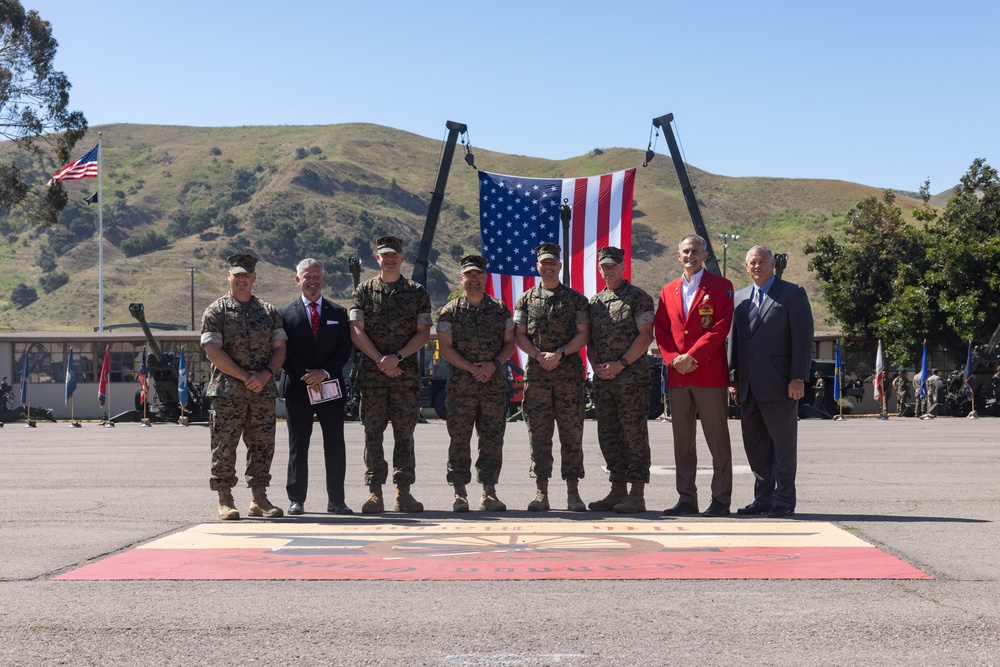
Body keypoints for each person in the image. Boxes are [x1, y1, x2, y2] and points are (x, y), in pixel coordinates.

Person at [201, 252, 287, 521]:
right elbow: (212, 350)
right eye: (236, 275)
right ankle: (225, 499)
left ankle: (259, 499)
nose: (241, 279)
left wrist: (265, 374)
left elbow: (280, 348)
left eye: (246, 275)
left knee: (262, 446)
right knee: (224, 447)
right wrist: (244, 375)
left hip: (261, 392)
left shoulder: (269, 312)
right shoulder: (216, 311)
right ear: (229, 276)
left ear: (254, 278)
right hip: (227, 393)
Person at [729, 245, 813, 519]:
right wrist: (733, 380)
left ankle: (784, 500)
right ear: (746, 266)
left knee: (782, 446)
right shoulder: (739, 298)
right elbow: (735, 342)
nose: (757, 266)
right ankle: (762, 499)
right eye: (752, 262)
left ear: (772, 264)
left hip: (780, 385)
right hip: (747, 387)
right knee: (755, 446)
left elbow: (802, 340)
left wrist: (798, 377)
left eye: (762, 261)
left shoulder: (792, 294)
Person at [654, 234, 735, 517]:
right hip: (678, 375)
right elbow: (661, 330)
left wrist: (694, 357)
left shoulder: (721, 286)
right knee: (683, 441)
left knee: (717, 440)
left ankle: (721, 500)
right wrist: (673, 359)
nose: (690, 256)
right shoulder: (668, 290)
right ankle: (687, 498)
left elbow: (720, 328)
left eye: (696, 252)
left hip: (708, 374)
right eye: (685, 252)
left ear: (704, 256)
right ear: (679, 256)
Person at [349, 236, 432, 513]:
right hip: (372, 377)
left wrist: (396, 358)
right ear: (377, 258)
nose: (390, 259)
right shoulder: (363, 291)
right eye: (385, 255)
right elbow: (356, 329)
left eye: (395, 255)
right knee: (373, 434)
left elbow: (422, 334)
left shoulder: (417, 293)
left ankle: (403, 492)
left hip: (404, 375)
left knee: (404, 435)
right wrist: (379, 359)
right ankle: (375, 493)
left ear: (402, 258)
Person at [514, 242, 591, 512]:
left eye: (552, 263)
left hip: (568, 376)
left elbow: (583, 333)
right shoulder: (525, 299)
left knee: (571, 435)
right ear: (537, 267)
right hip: (537, 377)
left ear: (559, 266)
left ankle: (573, 492)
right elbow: (519, 334)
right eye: (543, 263)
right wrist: (537, 355)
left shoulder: (576, 299)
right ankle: (541, 492)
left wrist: (559, 353)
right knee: (539, 436)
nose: (548, 267)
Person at [436, 254, 516, 512]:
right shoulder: (450, 311)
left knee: (492, 439)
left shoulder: (500, 309)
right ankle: (460, 494)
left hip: (492, 386)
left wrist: (493, 365)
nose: (473, 279)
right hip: (462, 386)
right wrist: (471, 367)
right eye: (468, 275)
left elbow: (509, 344)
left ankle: (489, 492)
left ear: (485, 278)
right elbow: (446, 349)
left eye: (478, 274)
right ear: (461, 278)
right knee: (459, 439)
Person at [278, 258, 353, 516]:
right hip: (298, 388)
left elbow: (344, 349)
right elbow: (281, 352)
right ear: (297, 280)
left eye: (316, 277)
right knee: (298, 445)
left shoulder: (338, 313)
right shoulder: (283, 314)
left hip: (331, 387)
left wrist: (324, 373)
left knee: (335, 444)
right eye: (307, 277)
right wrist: (307, 375)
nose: (312, 281)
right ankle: (296, 499)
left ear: (324, 279)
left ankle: (337, 501)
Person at [586, 246, 655, 513]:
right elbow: (590, 341)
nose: (609, 270)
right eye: (604, 266)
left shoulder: (639, 298)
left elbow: (646, 335)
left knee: (634, 436)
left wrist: (621, 364)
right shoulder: (595, 302)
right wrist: (596, 366)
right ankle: (617, 490)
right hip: (604, 381)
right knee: (608, 435)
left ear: (623, 267)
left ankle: (637, 494)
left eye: (613, 265)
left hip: (631, 380)